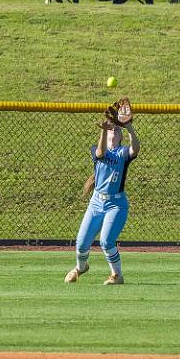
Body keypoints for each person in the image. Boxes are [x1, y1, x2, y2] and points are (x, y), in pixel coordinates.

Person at [65, 118, 140, 285]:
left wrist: (128, 126)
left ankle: (117, 275)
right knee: (82, 242)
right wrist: (104, 130)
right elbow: (100, 153)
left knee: (106, 241)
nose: (113, 131)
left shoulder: (123, 153)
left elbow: (135, 149)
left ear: (121, 137)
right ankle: (81, 267)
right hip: (96, 203)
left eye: (116, 130)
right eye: (111, 130)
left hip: (116, 204)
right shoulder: (96, 149)